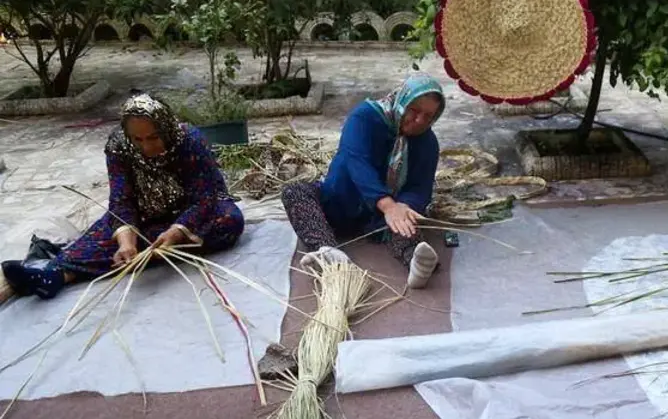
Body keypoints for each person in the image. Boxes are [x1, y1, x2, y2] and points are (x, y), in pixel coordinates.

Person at [0, 93, 245, 302]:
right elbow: (121, 201)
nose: (146, 147)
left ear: (166, 128)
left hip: (192, 214)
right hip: (144, 215)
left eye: (153, 138)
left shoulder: (190, 141)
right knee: (107, 233)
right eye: (137, 139)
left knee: (229, 221)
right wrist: (127, 243)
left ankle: (148, 251)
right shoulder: (118, 146)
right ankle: (55, 276)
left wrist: (176, 232)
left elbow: (205, 197)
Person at [281, 72, 444, 288]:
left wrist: (404, 206)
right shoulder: (365, 117)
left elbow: (420, 186)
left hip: (381, 220)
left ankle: (415, 259)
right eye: (414, 111)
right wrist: (388, 205)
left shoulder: (427, 142)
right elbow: (357, 163)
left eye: (429, 116)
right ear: (402, 101)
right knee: (295, 191)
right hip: (340, 202)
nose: (419, 121)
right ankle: (329, 252)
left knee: (406, 219)